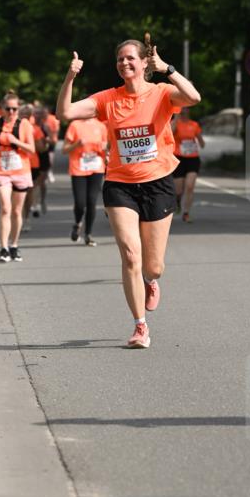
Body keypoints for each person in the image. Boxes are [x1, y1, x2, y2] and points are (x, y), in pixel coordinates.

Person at [57, 41, 201, 348]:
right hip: (120, 184)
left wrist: (168, 69)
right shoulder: (108, 99)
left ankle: (150, 280)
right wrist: (70, 77)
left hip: (158, 183)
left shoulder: (162, 92)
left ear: (144, 62)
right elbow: (65, 112)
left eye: (130, 58)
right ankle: (140, 326)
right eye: (120, 59)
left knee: (153, 266)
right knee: (130, 255)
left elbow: (193, 97)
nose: (124, 63)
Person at [0, 94, 36, 262]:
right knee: (6, 208)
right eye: (8, 109)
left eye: (15, 109)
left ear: (18, 109)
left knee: (16, 211)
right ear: (2, 109)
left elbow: (31, 149)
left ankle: (14, 245)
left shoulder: (25, 125)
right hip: (1, 171)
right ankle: (3, 248)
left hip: (21, 171)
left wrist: (16, 141)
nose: (12, 112)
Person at [63, 116, 108, 246]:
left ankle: (88, 234)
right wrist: (76, 144)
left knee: (92, 201)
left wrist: (105, 149)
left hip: (96, 168)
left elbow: (107, 146)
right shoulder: (75, 125)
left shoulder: (101, 126)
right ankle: (78, 223)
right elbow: (64, 149)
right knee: (80, 203)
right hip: (78, 168)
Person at [171, 106, 205, 221]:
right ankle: (177, 201)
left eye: (186, 108)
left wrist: (199, 143)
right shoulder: (175, 123)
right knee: (178, 190)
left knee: (190, 186)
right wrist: (176, 117)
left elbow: (201, 142)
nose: (184, 111)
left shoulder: (194, 124)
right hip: (178, 158)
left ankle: (186, 213)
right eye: (182, 109)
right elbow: (171, 132)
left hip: (193, 158)